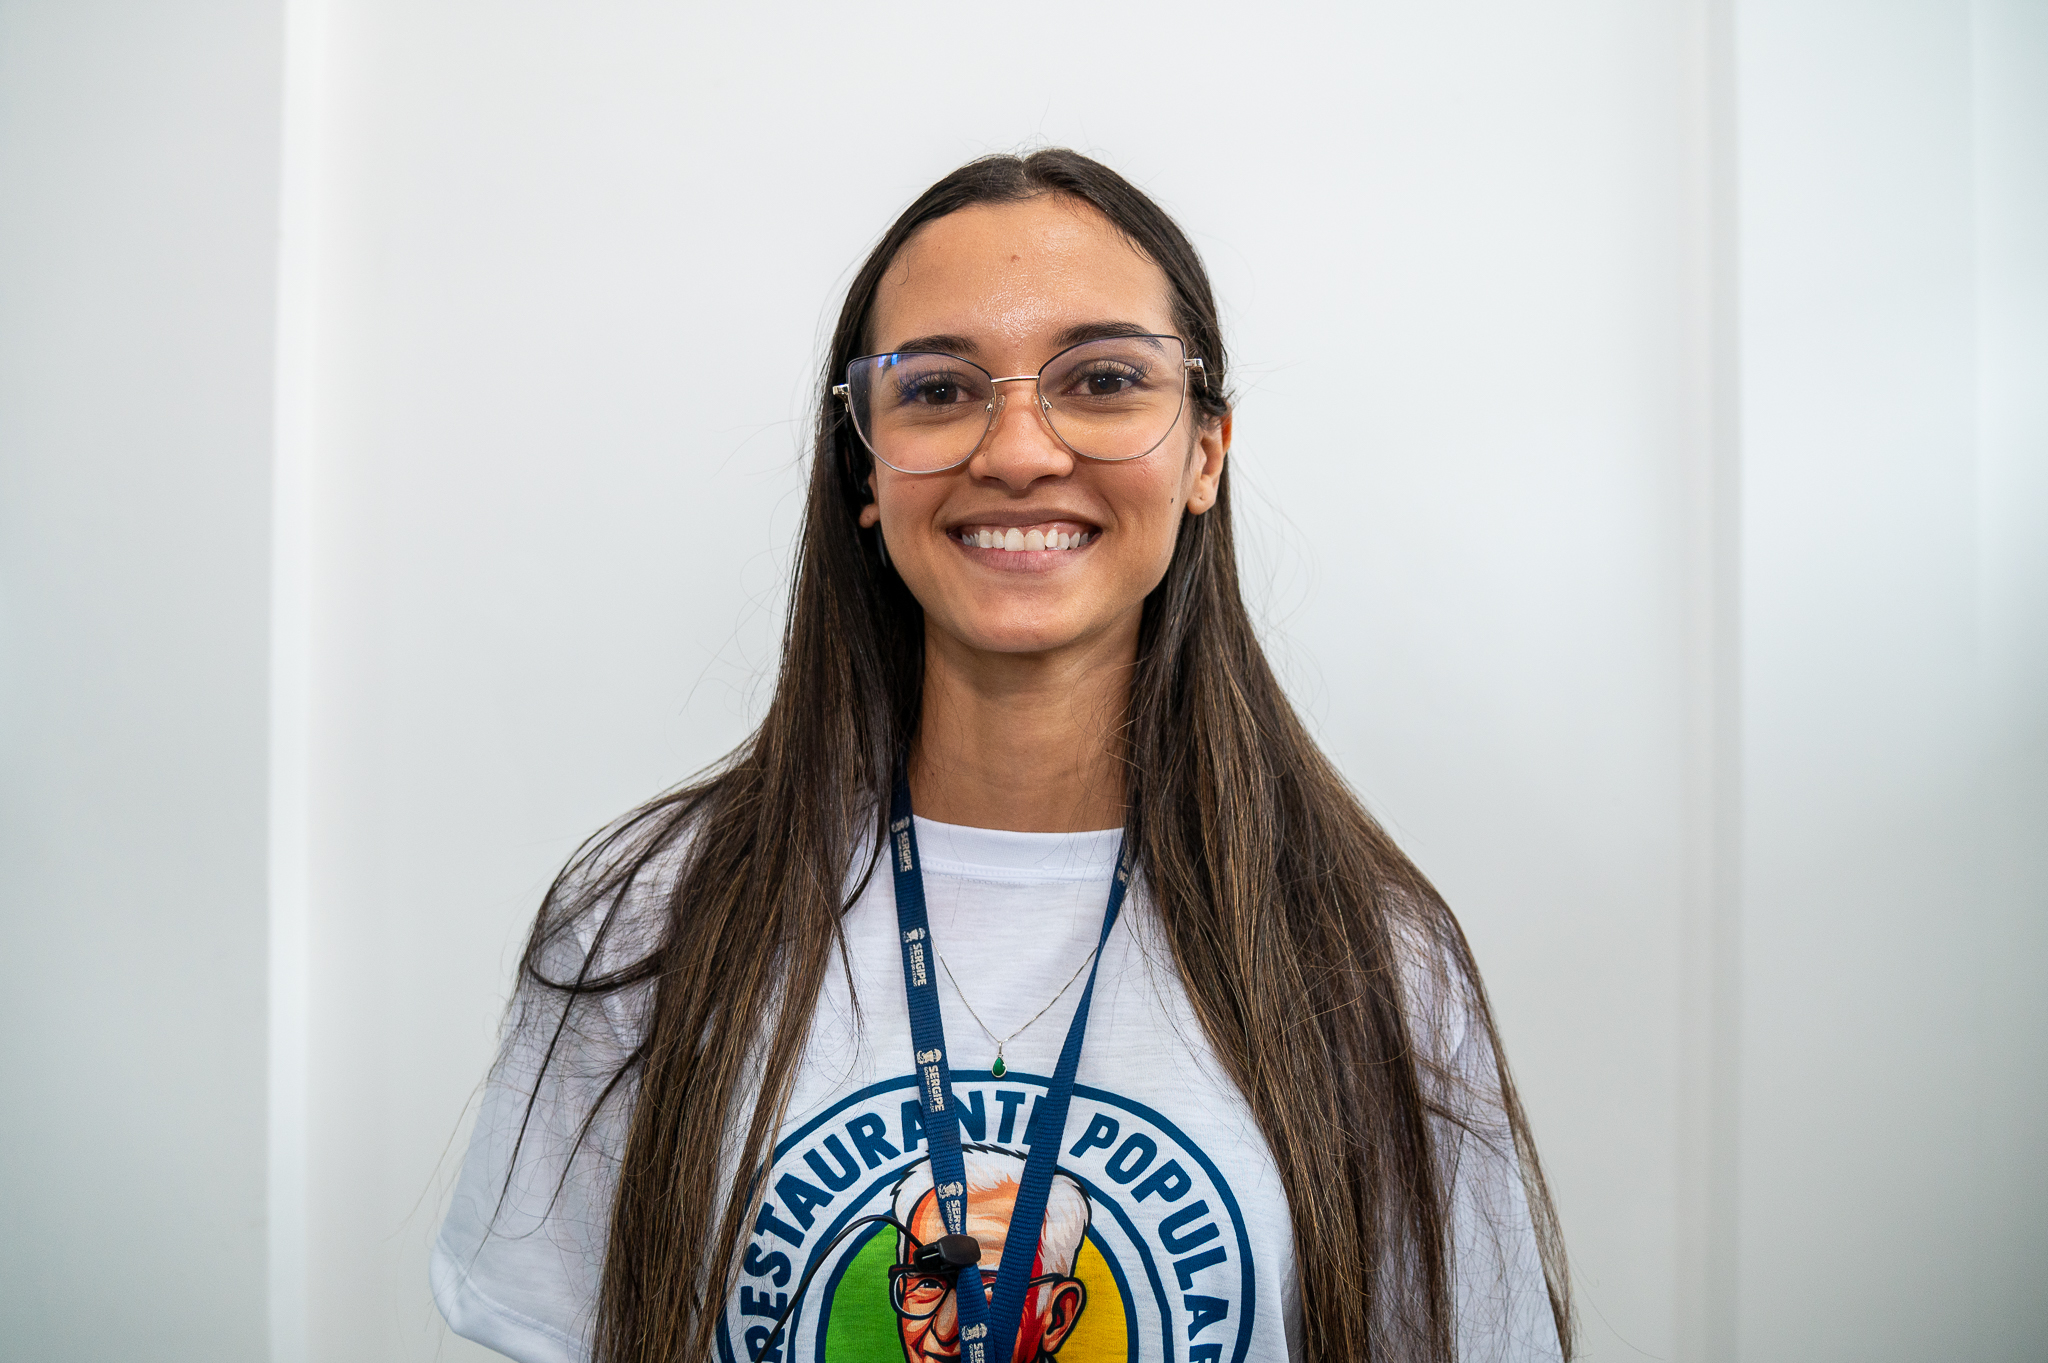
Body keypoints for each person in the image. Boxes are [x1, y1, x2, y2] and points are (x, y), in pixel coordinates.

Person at [432, 149, 1572, 1363]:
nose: (1017, 449)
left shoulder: (1374, 961)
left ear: (1204, 452)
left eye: (1102, 379)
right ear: (865, 465)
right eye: (937, 389)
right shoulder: (646, 923)